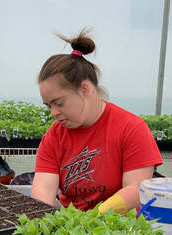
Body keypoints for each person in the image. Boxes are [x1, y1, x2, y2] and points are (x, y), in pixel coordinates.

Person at [31, 29, 163, 213]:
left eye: (59, 103)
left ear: (84, 89)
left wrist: (94, 218)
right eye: (48, 106)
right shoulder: (54, 136)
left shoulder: (131, 128)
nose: (53, 113)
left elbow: (136, 190)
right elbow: (43, 190)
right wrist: (42, 220)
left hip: (122, 233)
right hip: (72, 231)